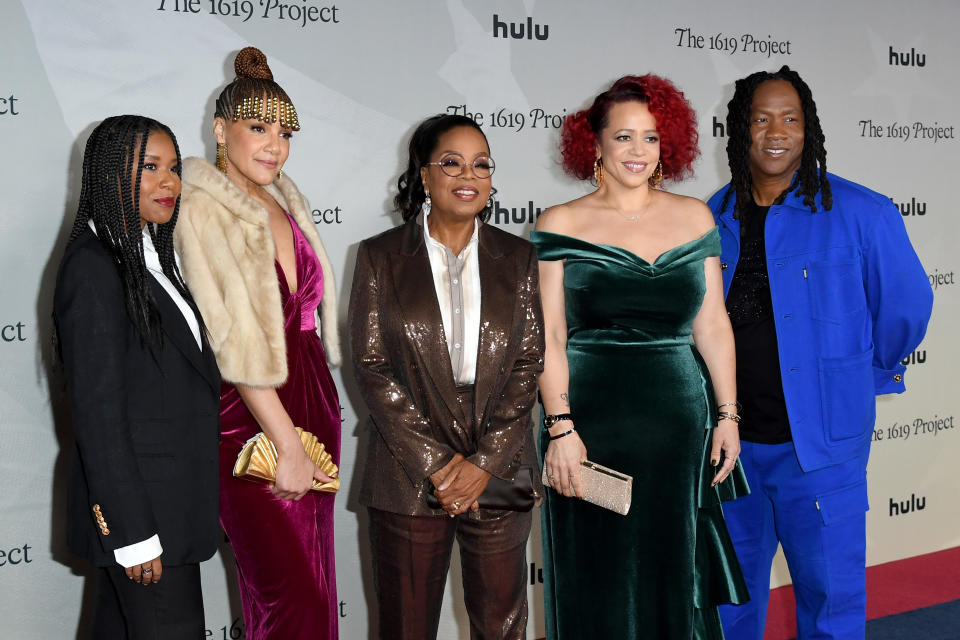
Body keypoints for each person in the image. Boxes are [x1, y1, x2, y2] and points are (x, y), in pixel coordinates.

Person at [709, 66, 933, 640]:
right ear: (740, 130)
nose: (776, 131)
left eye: (791, 118)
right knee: (727, 605)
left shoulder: (862, 212)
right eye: (761, 119)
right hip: (728, 451)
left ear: (809, 130)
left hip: (822, 451)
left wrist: (861, 375)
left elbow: (905, 308)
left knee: (830, 606)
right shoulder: (712, 216)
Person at [532, 75, 750, 639]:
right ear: (595, 143)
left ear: (667, 145)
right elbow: (549, 337)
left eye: (651, 138)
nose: (637, 151)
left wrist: (727, 415)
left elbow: (712, 324)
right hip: (590, 425)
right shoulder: (560, 223)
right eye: (623, 136)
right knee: (595, 570)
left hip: (679, 423)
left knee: (672, 564)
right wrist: (560, 428)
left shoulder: (695, 217)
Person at [348, 113, 545, 640]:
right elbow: (372, 366)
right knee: (406, 626)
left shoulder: (520, 257)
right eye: (452, 162)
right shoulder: (380, 256)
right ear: (424, 175)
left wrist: (484, 463)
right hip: (408, 467)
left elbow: (528, 363)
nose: (468, 175)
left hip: (500, 464)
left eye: (482, 164)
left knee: (502, 626)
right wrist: (439, 465)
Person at [175, 47, 342, 640]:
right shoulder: (203, 206)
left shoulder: (282, 199)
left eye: (283, 131)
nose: (275, 144)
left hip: (313, 398)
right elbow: (232, 341)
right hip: (253, 416)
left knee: (317, 584)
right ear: (221, 130)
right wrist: (286, 442)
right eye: (257, 127)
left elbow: (307, 317)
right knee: (286, 595)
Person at [54, 115, 221, 638]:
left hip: (171, 509)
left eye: (173, 168)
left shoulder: (153, 261)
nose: (169, 182)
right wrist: (131, 532)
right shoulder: (94, 267)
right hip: (145, 522)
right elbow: (99, 414)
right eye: (149, 167)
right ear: (108, 174)